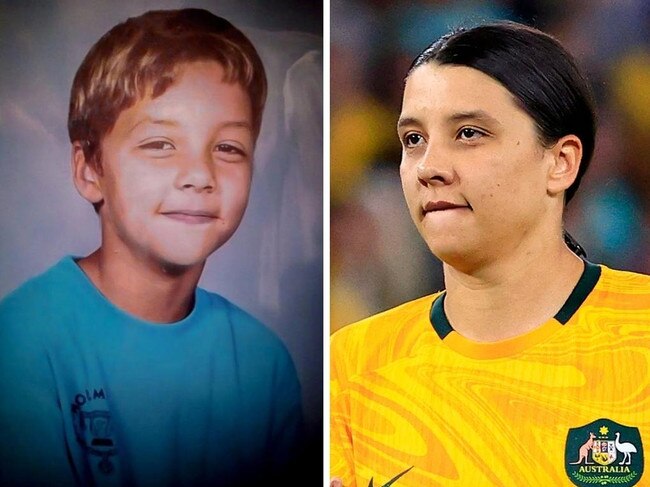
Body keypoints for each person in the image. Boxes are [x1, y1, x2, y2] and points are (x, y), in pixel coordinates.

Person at [330, 21, 650, 487]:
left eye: (469, 133)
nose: (429, 168)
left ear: (561, 162)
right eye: (413, 139)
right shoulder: (352, 364)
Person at [0, 9, 304, 487]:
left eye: (227, 148)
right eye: (161, 144)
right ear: (89, 170)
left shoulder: (264, 366)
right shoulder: (21, 342)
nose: (200, 175)